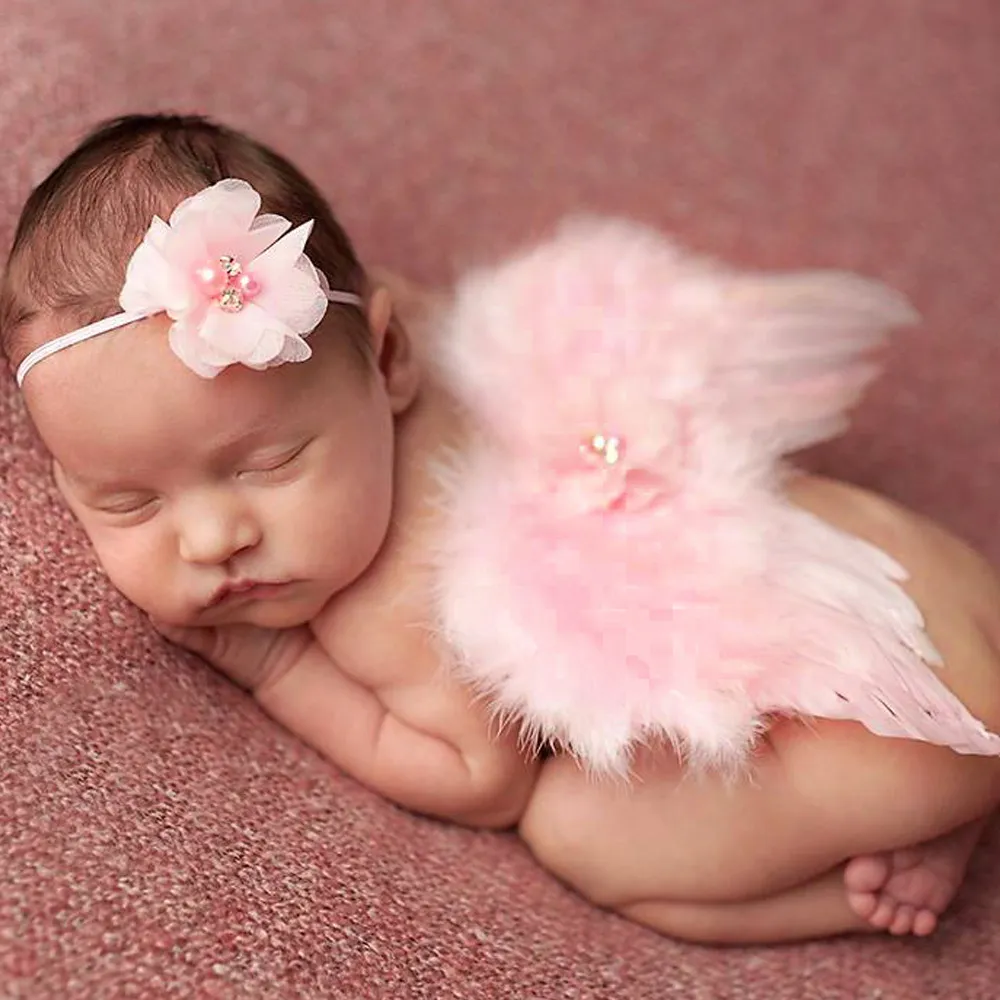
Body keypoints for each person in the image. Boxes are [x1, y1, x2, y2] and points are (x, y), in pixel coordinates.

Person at [3, 113, 999, 946]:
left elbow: (482, 780)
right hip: (921, 573)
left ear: (387, 360)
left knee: (576, 833)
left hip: (888, 722)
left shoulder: (393, 601)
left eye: (267, 465)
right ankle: (936, 797)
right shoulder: (428, 342)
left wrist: (276, 670)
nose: (214, 536)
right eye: (128, 499)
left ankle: (894, 846)